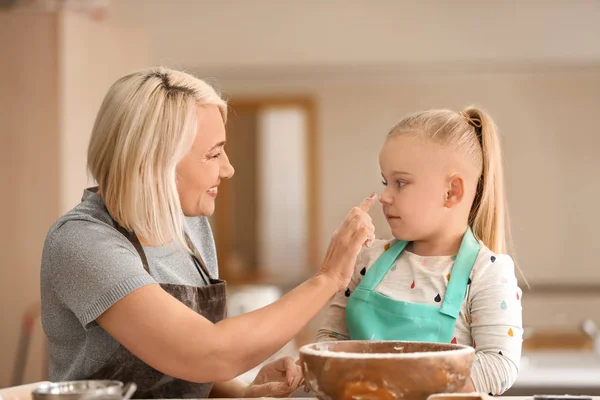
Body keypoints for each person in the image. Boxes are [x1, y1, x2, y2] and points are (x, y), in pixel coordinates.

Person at [40, 67, 377, 399]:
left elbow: (174, 363)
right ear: (154, 162)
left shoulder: (190, 226)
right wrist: (328, 277)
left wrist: (240, 393)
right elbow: (206, 352)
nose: (228, 169)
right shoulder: (83, 243)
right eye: (213, 154)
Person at [316, 107, 523, 395]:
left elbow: (499, 366)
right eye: (385, 182)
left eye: (400, 183)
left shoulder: (487, 272)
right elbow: (331, 342)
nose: (385, 197)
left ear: (452, 192)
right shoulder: (366, 258)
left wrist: (403, 389)